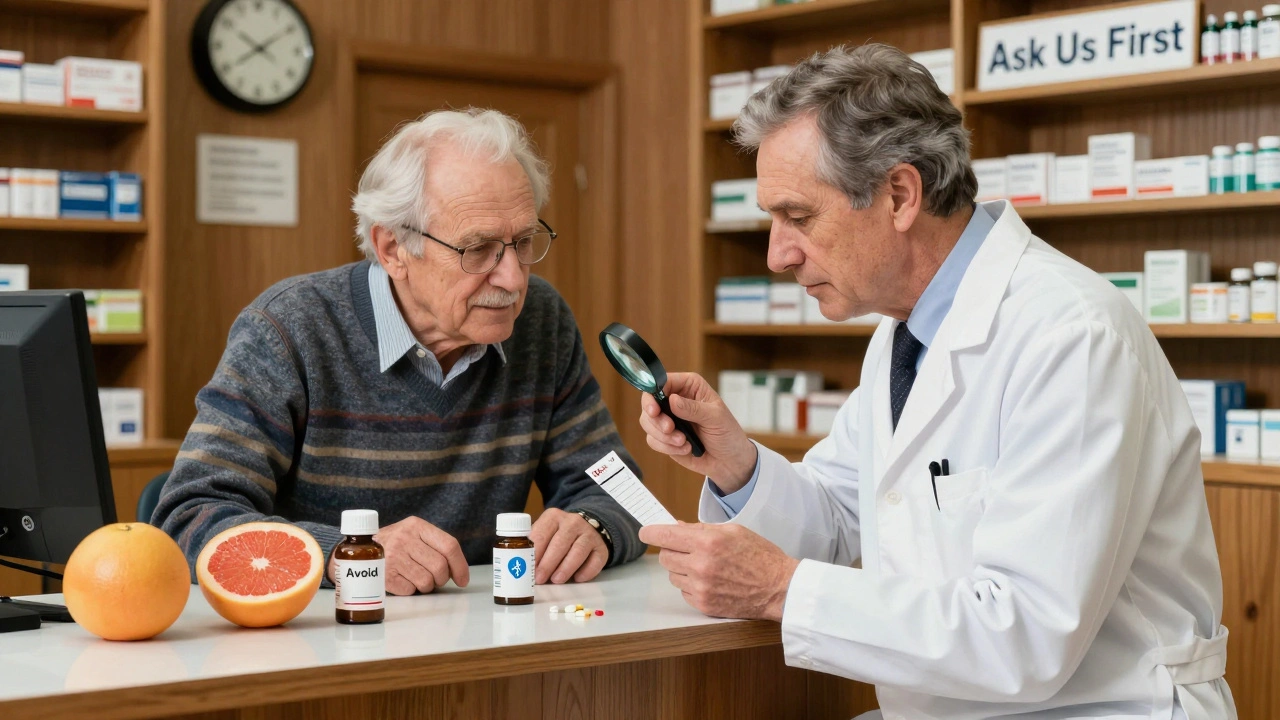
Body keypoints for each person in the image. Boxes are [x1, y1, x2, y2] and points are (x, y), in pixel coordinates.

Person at [636, 45, 1234, 719]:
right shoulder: (908, 332)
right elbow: (840, 517)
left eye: (798, 217)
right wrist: (736, 465)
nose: (778, 254)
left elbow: (1027, 636)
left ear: (899, 195)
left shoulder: (1070, 336)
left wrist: (780, 589)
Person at [156, 108, 645, 596]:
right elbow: (189, 518)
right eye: (477, 249)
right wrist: (349, 555)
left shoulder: (540, 320)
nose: (513, 278)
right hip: (331, 627)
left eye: (523, 242)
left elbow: (622, 494)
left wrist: (593, 526)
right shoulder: (290, 329)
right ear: (393, 249)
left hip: (483, 624)